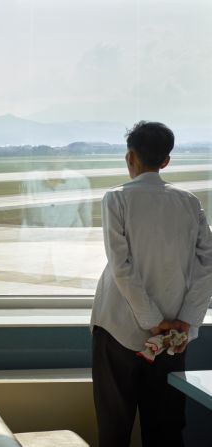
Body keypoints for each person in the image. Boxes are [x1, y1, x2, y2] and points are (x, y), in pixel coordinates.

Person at [91, 121, 212, 447]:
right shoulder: (190, 203)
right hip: (174, 337)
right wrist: (184, 320)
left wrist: (152, 320)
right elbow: (207, 266)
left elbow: (121, 268)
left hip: (118, 329)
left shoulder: (116, 199)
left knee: (114, 429)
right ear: (166, 161)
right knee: (167, 429)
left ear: (130, 158)